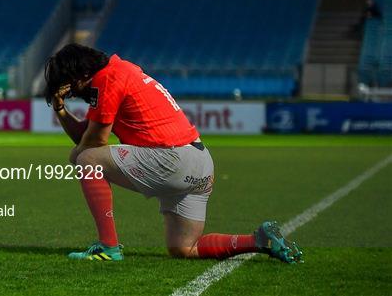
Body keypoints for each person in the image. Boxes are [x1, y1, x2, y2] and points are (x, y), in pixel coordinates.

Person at [44, 43, 302, 262]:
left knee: (85, 159)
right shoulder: (121, 70)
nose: (75, 95)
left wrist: (76, 154)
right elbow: (87, 136)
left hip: (171, 159)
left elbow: (93, 143)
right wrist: (60, 109)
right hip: (199, 163)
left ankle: (109, 247)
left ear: (80, 75)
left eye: (72, 88)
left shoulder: (106, 79)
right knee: (183, 248)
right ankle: (259, 240)